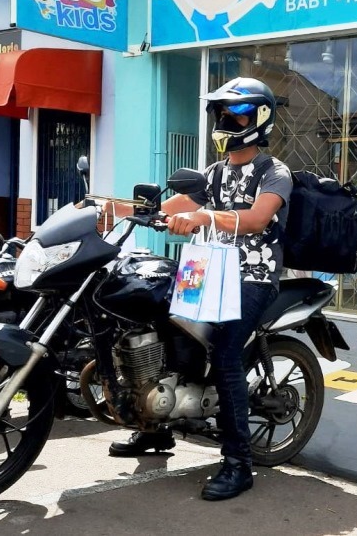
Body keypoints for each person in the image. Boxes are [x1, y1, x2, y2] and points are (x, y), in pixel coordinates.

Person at [105, 77, 292, 501]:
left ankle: (239, 463)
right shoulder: (213, 173)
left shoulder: (274, 172)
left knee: (225, 355)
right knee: (157, 323)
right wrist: (112, 207)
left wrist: (205, 217)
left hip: (252, 276)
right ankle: (155, 429)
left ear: (260, 118)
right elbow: (168, 206)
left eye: (236, 113)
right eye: (221, 113)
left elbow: (257, 219)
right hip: (208, 270)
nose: (226, 120)